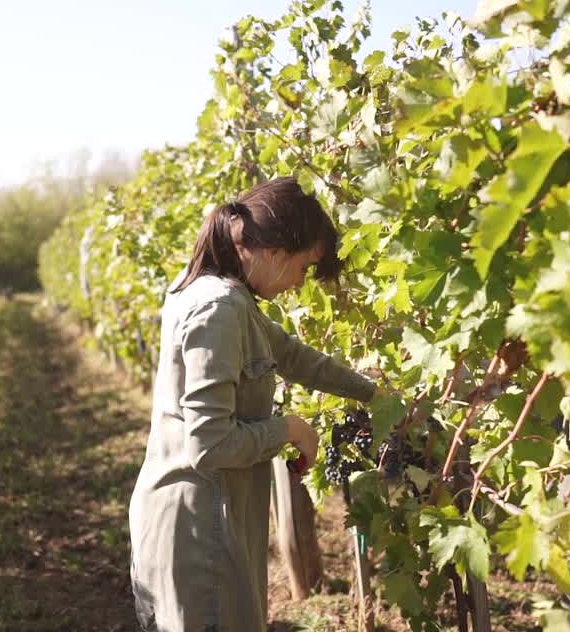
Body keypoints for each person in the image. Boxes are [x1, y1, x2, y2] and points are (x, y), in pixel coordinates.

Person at [129, 178, 386, 631]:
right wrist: (288, 429)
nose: (301, 282)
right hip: (199, 534)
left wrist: (374, 393)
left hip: (204, 522)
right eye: (305, 267)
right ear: (274, 253)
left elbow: (290, 355)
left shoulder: (219, 295)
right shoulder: (220, 309)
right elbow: (209, 445)